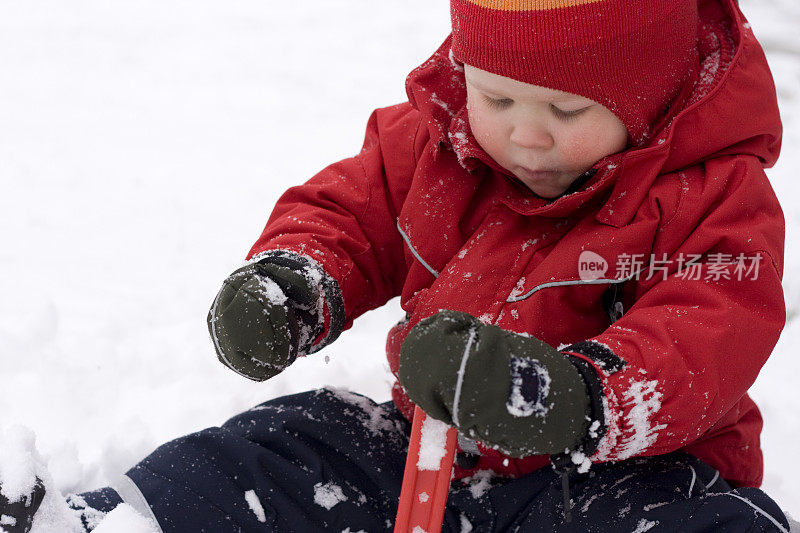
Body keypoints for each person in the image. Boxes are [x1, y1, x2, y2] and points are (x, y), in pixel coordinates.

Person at [1, 0, 793, 531]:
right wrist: (294, 281)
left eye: (566, 110)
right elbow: (350, 212)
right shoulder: (438, 141)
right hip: (426, 442)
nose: (525, 135)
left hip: (615, 473)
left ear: (650, 95)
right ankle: (99, 521)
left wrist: (566, 394)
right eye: (498, 97)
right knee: (286, 443)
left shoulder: (713, 196)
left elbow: (707, 334)